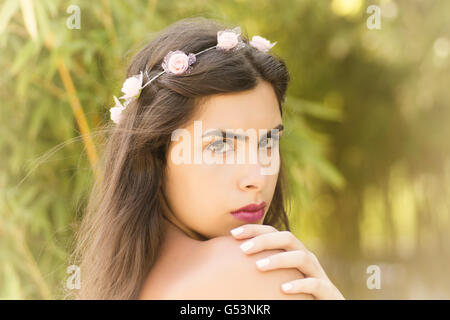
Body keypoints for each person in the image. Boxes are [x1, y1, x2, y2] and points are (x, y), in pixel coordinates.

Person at [70, 17, 344, 300]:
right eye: (221, 145)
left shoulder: (123, 284)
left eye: (268, 141)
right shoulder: (259, 269)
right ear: (156, 153)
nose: (257, 177)